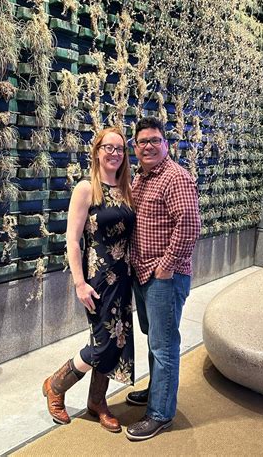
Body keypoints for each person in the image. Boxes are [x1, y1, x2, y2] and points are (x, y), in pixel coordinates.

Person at [43, 127, 135, 433]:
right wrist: (79, 283)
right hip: (97, 278)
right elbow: (72, 241)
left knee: (117, 340)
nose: (114, 154)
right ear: (96, 152)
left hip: (123, 278)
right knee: (103, 342)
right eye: (108, 147)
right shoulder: (86, 189)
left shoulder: (126, 188)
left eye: (120, 149)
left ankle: (97, 401)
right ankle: (56, 385)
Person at [125, 116, 201, 441]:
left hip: (164, 277)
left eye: (155, 140)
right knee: (155, 337)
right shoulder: (141, 178)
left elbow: (190, 225)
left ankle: (160, 413)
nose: (149, 146)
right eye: (142, 141)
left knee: (164, 343)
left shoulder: (175, 177)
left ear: (166, 144)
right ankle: (158, 390)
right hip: (144, 273)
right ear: (135, 147)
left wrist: (167, 266)